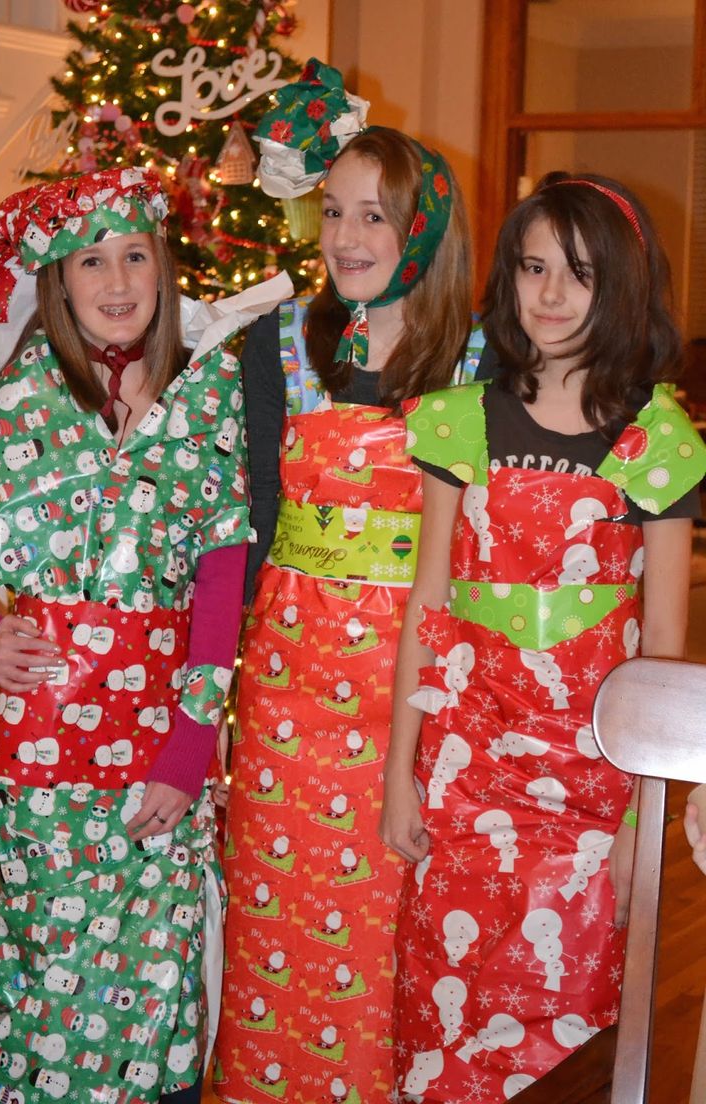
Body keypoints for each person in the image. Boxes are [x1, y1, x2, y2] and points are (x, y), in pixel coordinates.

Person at [380, 171, 706, 1100]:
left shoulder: (659, 441)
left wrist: (655, 815)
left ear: (625, 290)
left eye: (580, 275)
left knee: (563, 1008)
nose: (551, 296)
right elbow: (428, 606)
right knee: (443, 1003)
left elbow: (662, 662)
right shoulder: (460, 421)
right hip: (463, 762)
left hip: (591, 786)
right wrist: (401, 770)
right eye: (532, 268)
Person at [0, 166, 286, 1104]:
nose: (117, 280)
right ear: (58, 281)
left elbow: (223, 580)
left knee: (154, 1006)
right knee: (42, 1003)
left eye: (136, 255)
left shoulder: (210, 392)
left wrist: (190, 751)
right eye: (91, 259)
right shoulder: (11, 399)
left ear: (164, 268)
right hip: (35, 762)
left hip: (160, 754)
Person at [213, 60, 483, 1104]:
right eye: (333, 211)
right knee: (275, 914)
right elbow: (246, 522)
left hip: (413, 694)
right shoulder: (274, 344)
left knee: (388, 930)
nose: (345, 237)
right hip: (287, 694)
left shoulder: (480, 360)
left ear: (423, 229)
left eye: (374, 215)